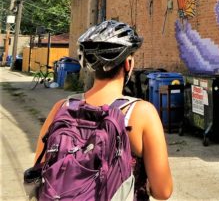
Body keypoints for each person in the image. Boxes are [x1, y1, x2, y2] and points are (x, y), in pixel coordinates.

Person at [33, 20, 173, 200]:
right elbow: (163, 191)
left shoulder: (61, 107)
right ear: (128, 64)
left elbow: (40, 167)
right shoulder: (141, 112)